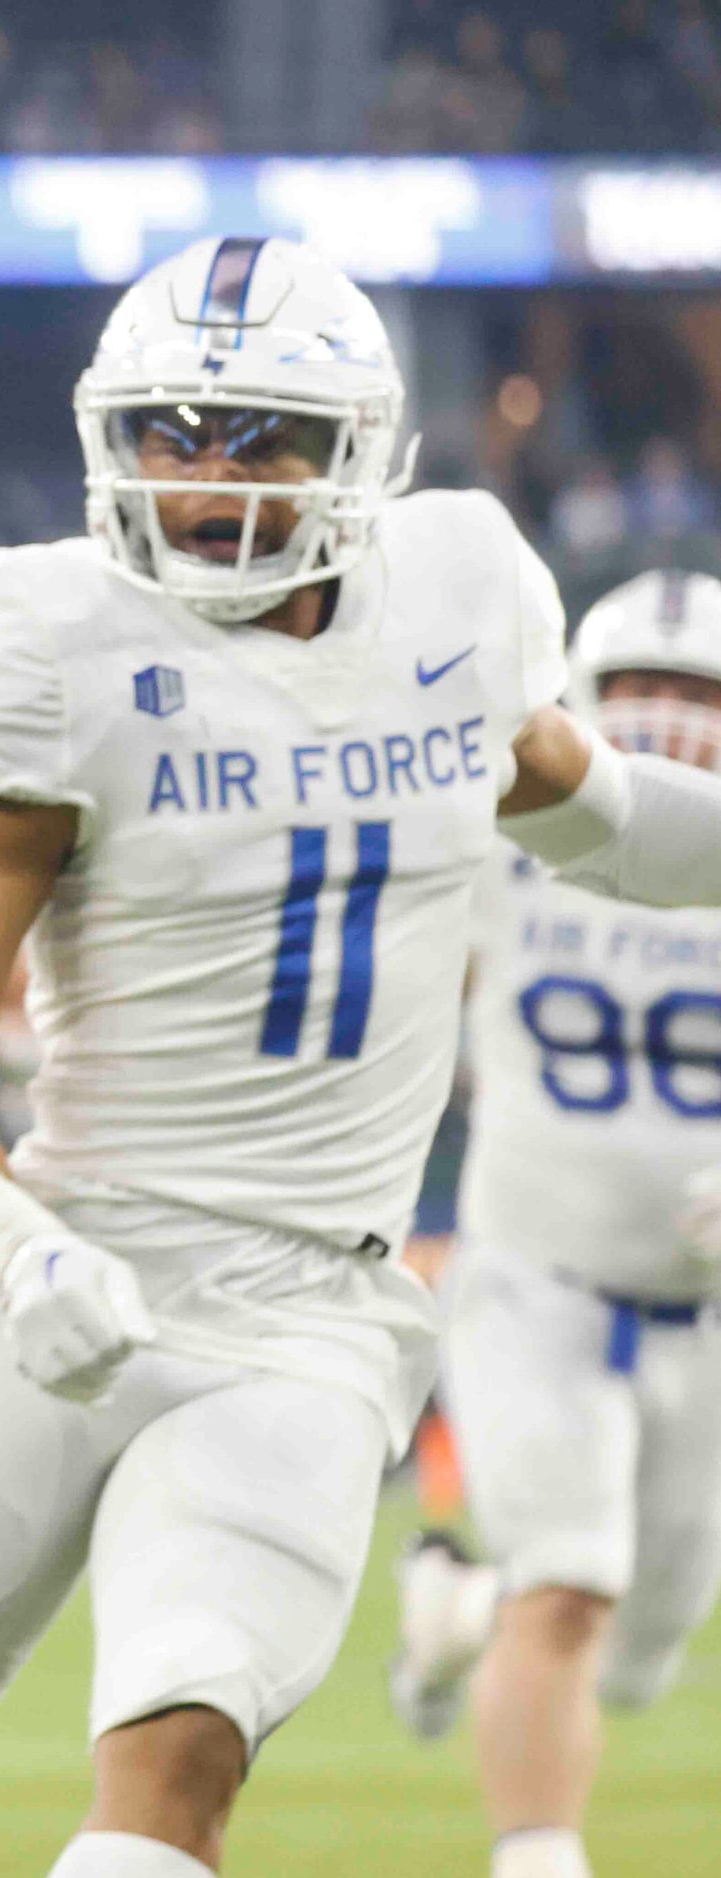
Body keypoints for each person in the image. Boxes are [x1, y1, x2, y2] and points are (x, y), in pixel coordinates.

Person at [0, 234, 721, 1878]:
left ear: (360, 448)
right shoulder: (45, 642)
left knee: (181, 1749)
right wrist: (19, 1244)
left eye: (259, 437)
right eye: (172, 433)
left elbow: (602, 818)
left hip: (306, 1312)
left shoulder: (455, 599)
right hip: (60, 1275)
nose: (209, 479)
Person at [387, 569, 721, 1878]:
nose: (663, 725)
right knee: (572, 1581)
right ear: (581, 696)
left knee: (639, 1656)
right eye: (637, 691)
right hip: (539, 1280)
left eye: (695, 695)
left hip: (705, 1314)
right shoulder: (500, 843)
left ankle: (456, 1604)